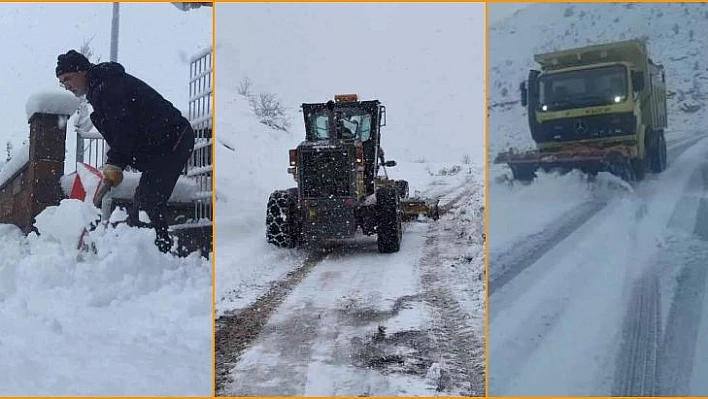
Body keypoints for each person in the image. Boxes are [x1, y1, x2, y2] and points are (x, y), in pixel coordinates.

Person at [56, 49, 194, 253]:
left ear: (82, 71)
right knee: (143, 202)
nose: (67, 86)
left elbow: (124, 129)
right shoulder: (101, 89)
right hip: (158, 148)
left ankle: (158, 256)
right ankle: (151, 254)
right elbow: (124, 132)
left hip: (173, 140)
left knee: (149, 200)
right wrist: (116, 164)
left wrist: (115, 163)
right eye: (62, 82)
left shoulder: (109, 87)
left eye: (68, 78)